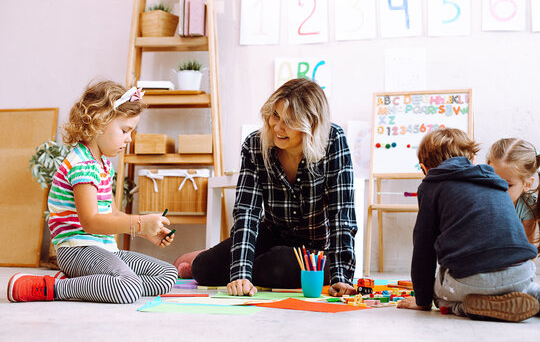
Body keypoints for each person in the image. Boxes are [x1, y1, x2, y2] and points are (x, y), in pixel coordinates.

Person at [7, 80, 178, 304]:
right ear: (99, 123)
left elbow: (113, 215)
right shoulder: (81, 165)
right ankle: (55, 287)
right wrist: (138, 222)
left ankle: (95, 284)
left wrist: (145, 231)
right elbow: (91, 222)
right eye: (125, 130)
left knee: (167, 275)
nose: (129, 139)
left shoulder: (102, 164)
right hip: (78, 250)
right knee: (129, 287)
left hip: (104, 249)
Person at [187, 78, 357, 297]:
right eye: (275, 115)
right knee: (203, 269)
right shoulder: (254, 145)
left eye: (290, 120)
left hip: (316, 249)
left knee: (277, 266)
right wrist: (240, 274)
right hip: (272, 234)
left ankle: (263, 264)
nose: (277, 127)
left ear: (311, 124)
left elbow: (341, 214)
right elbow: (247, 212)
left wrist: (340, 277)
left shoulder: (334, 140)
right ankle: (232, 262)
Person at [397, 128, 540, 322]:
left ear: (424, 168)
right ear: (473, 158)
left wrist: (422, 300)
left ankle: (465, 307)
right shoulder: (494, 180)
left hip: (472, 282)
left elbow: (424, 249)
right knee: (527, 287)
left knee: (438, 295)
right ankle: (533, 297)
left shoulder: (430, 186)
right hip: (521, 274)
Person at [487, 138, 540, 252]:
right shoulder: (480, 198)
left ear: (527, 184)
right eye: (492, 180)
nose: (498, 188)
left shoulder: (528, 205)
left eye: (508, 185)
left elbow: (528, 248)